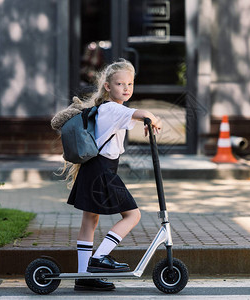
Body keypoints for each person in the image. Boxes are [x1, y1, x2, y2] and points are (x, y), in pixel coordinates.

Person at [51, 59, 162, 291]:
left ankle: (84, 276)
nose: (126, 88)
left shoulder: (110, 109)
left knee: (90, 220)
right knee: (133, 215)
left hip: (96, 168)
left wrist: (144, 120)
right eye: (120, 83)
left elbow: (133, 116)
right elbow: (139, 112)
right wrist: (152, 118)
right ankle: (99, 258)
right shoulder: (112, 108)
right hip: (102, 170)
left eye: (130, 84)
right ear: (108, 87)